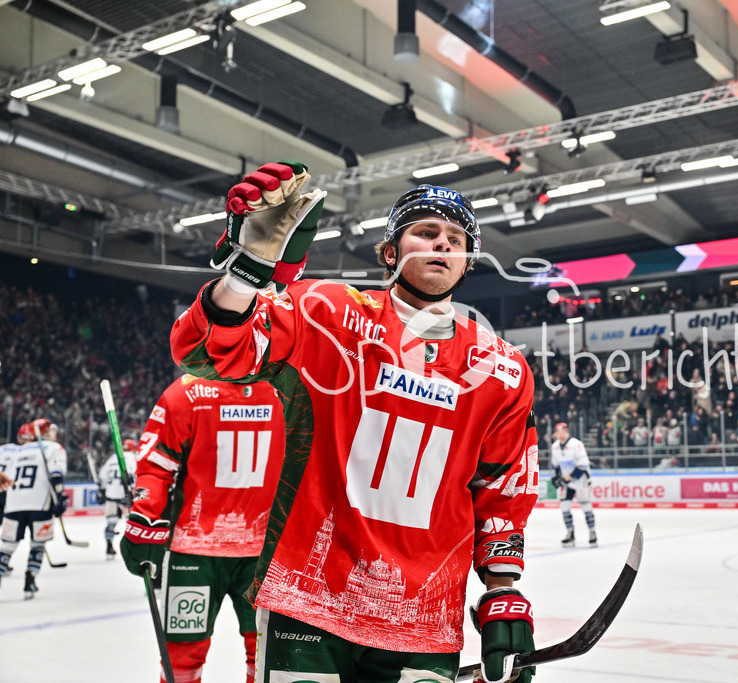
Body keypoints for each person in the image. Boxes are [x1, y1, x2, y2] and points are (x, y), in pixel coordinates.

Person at [164, 163, 539, 683]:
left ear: (467, 262)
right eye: (426, 232)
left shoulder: (503, 369)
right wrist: (245, 272)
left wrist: (503, 592)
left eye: (456, 238)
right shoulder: (328, 313)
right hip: (307, 598)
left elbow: (501, 491)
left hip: (423, 616)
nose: (442, 244)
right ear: (390, 252)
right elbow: (207, 352)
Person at [119, 376, 285, 683]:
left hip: (210, 553)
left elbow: (154, 468)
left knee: (260, 653)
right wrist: (144, 516)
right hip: (249, 551)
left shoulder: (186, 390)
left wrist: (143, 519)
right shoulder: (289, 385)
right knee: (263, 655)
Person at [0, 419, 68, 599]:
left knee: (7, 546)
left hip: (13, 503)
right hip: (40, 505)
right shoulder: (54, 448)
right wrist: (59, 499)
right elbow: (56, 476)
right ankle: (30, 580)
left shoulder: (18, 450)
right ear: (45, 432)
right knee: (38, 544)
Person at [550, 422, 597, 548]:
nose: (559, 434)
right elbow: (556, 466)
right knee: (564, 508)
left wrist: (569, 477)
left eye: (561, 431)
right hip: (567, 482)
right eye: (557, 431)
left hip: (580, 480)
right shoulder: (555, 447)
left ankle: (592, 532)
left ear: (566, 431)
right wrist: (556, 477)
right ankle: (570, 533)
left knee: (586, 506)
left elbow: (583, 465)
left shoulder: (576, 444)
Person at [97, 439, 138, 558]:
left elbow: (101, 477)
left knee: (111, 522)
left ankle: (109, 546)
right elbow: (134, 475)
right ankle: (133, 548)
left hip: (111, 494)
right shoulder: (132, 458)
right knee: (133, 522)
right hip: (127, 494)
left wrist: (102, 492)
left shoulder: (112, 458)